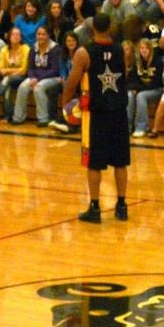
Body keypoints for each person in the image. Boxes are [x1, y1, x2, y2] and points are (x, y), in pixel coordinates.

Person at [61, 13, 129, 223]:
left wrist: (64, 105)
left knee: (94, 163)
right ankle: (122, 205)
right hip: (119, 111)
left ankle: (95, 207)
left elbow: (72, 82)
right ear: (110, 27)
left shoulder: (84, 53)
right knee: (120, 162)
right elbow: (125, 75)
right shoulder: (121, 50)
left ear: (92, 28)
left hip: (96, 114)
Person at [11, 25, 62, 126]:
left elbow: (55, 70)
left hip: (52, 78)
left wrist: (37, 79)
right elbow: (30, 68)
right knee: (23, 86)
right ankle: (18, 117)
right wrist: (32, 77)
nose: (40, 37)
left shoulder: (56, 49)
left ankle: (43, 119)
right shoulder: (33, 48)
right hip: (36, 77)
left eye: (43, 34)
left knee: (38, 87)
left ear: (48, 35)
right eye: (39, 34)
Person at [127, 37, 163, 137]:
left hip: (156, 90)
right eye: (142, 48)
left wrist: (138, 89)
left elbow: (156, 83)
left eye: (146, 48)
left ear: (151, 49)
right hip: (142, 89)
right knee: (129, 95)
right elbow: (131, 81)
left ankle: (141, 127)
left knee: (141, 96)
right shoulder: (136, 62)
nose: (144, 50)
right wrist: (134, 88)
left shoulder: (158, 62)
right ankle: (127, 127)